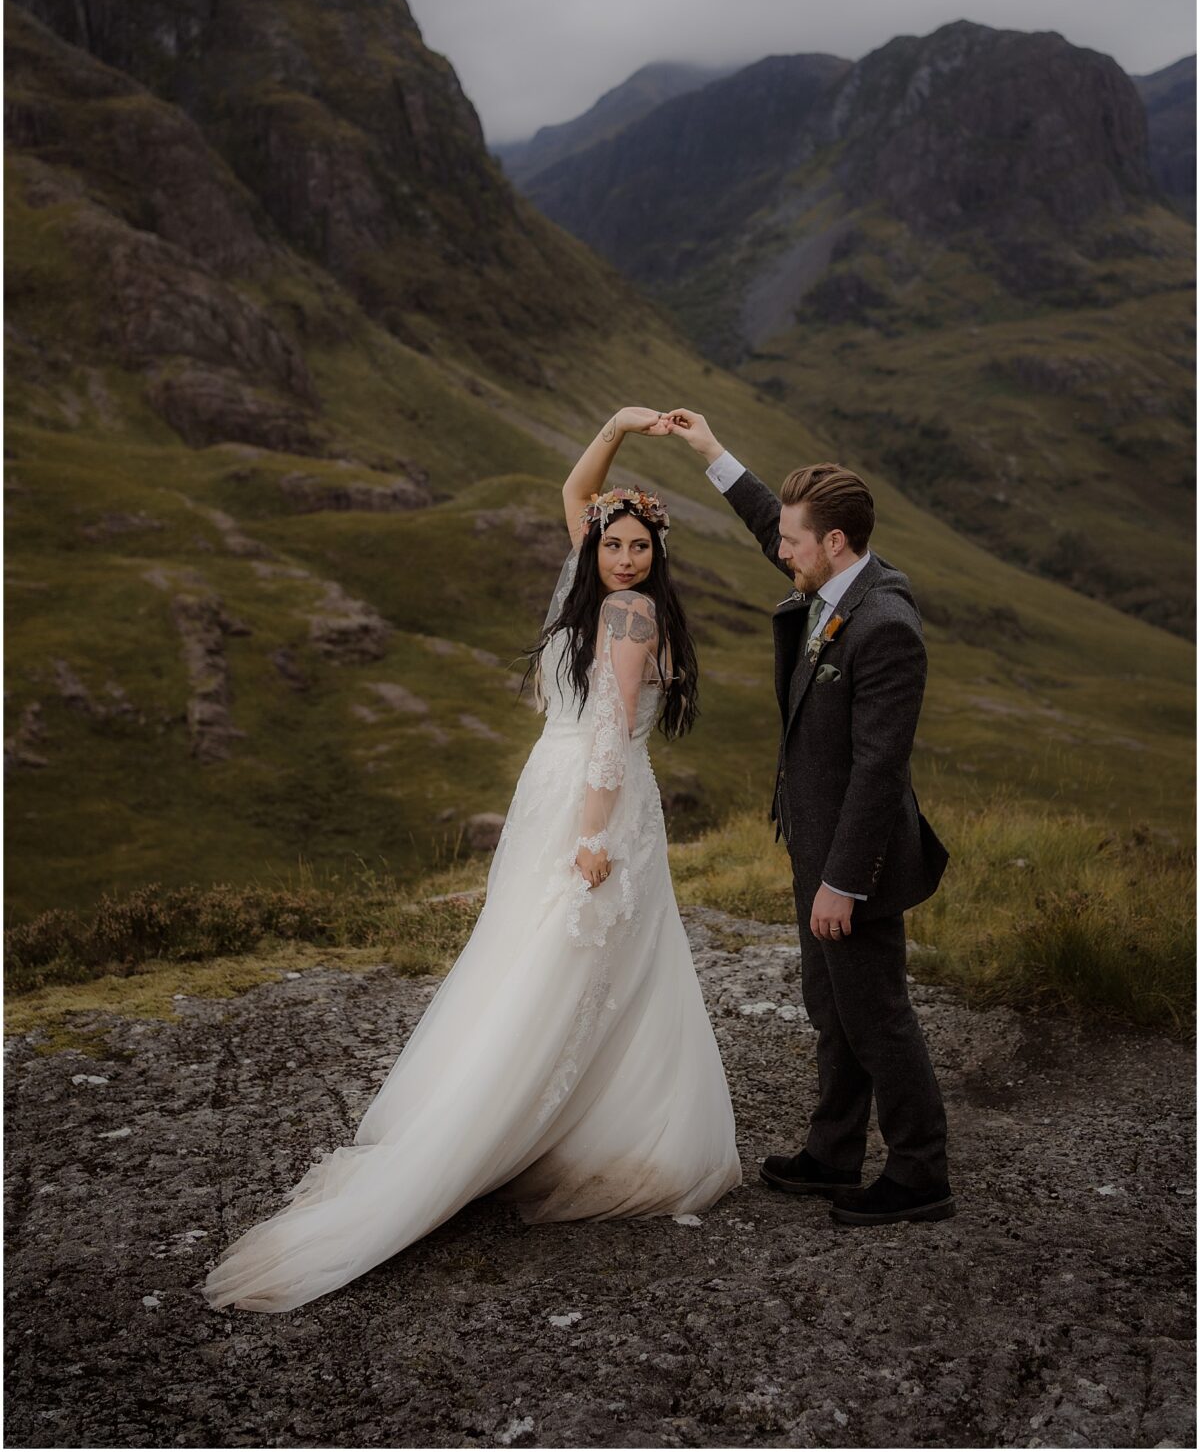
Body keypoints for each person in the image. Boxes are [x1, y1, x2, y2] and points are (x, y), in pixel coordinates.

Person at [203, 406, 742, 1312]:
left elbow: (612, 730)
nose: (622, 557)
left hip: (590, 798)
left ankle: (546, 1115)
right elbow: (576, 491)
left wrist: (594, 835)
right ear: (597, 545)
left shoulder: (631, 611)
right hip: (564, 790)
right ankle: (542, 1112)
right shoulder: (600, 582)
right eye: (612, 544)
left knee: (577, 952)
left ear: (656, 554)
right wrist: (617, 426)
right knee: (555, 951)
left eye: (638, 546)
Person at [664, 408, 955, 1227]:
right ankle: (834, 1151)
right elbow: (770, 521)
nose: (779, 549)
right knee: (832, 1005)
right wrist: (711, 451)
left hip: (852, 864)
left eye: (794, 540)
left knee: (876, 1011)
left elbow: (878, 770)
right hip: (816, 848)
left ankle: (921, 1169)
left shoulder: (885, 625)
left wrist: (841, 882)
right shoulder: (830, 580)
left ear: (832, 542)